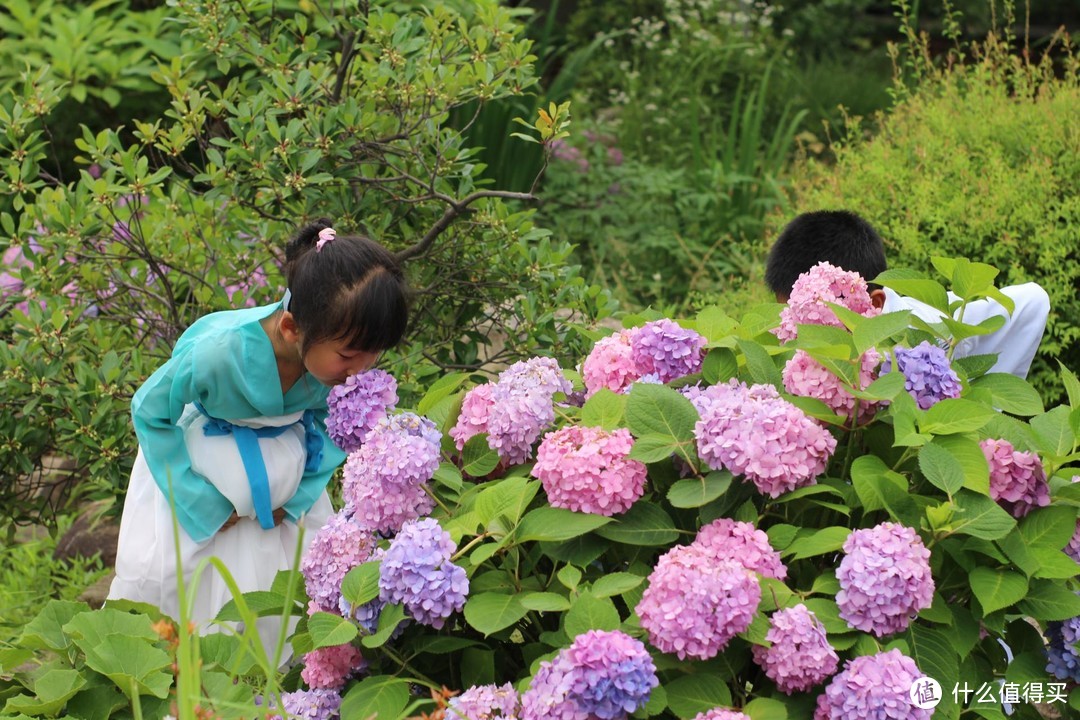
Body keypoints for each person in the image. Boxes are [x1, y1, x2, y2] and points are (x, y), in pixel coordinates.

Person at [108, 218, 409, 651]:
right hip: (198, 472)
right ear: (291, 329)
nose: (361, 371)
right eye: (349, 355)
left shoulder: (332, 369)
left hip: (283, 484)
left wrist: (302, 491)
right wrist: (197, 497)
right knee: (183, 587)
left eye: (374, 355)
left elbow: (329, 427)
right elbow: (149, 411)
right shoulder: (218, 353)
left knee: (287, 592)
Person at [764, 210, 1049, 379]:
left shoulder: (928, 332)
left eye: (810, 319)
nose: (797, 337)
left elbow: (1033, 301)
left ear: (873, 305)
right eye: (788, 315)